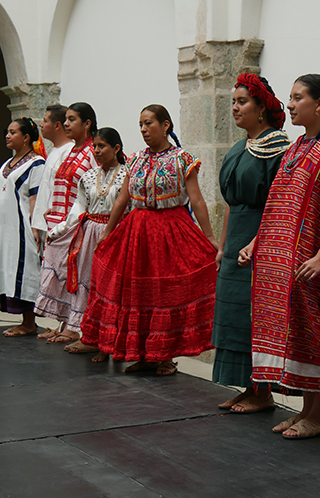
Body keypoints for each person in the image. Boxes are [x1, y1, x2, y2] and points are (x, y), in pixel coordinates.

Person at [238, 74, 320, 439]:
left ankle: (319, 416)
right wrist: (257, 241)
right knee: (294, 334)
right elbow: (277, 203)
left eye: (297, 98)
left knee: (313, 333)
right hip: (280, 262)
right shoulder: (294, 149)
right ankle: (306, 410)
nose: (289, 105)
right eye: (289, 98)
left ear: (319, 103)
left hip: (311, 262)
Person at [80, 104, 218, 376]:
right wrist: (107, 232)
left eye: (149, 123)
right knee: (138, 296)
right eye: (140, 124)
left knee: (163, 294)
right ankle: (144, 354)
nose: (143, 129)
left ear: (165, 125)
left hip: (170, 231)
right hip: (137, 233)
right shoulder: (135, 160)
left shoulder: (182, 159)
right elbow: (123, 198)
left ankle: (164, 356)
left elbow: (196, 199)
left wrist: (210, 237)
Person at [213, 73, 290, 413]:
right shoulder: (237, 148)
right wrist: (222, 244)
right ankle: (248, 387)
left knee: (254, 315)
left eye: (242, 102)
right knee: (234, 313)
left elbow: (280, 205)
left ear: (261, 108)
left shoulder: (279, 148)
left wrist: (257, 242)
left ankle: (263, 392)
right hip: (235, 241)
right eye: (233, 102)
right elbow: (231, 203)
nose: (235, 108)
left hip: (262, 237)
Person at [34, 127, 128, 359]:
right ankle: (90, 337)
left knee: (113, 288)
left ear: (116, 148)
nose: (96, 151)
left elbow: (131, 208)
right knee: (88, 283)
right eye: (94, 146)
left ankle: (112, 341)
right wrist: (58, 230)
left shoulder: (127, 175)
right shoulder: (87, 177)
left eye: (102, 146)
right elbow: (79, 208)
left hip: (116, 235)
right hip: (89, 237)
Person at [39, 102, 97, 344]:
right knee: (62, 275)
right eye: (66, 119)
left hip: (78, 224)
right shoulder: (73, 150)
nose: (66, 124)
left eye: (72, 120)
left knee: (78, 277)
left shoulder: (93, 151)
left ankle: (76, 327)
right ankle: (64, 322)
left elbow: (94, 190)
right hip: (61, 222)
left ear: (87, 124)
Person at [0, 118, 46, 336]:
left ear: (25, 138)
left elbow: (36, 198)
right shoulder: (7, 164)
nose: (7, 135)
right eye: (7, 132)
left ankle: (29, 323)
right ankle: (26, 321)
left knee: (26, 271)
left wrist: (36, 228)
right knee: (10, 270)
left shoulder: (36, 164)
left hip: (23, 229)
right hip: (5, 229)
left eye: (12, 132)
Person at [32, 104, 73, 244]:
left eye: (45, 121)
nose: (41, 124)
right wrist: (37, 224)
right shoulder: (54, 151)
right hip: (45, 224)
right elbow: (45, 189)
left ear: (57, 125)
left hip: (58, 225)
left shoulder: (69, 152)